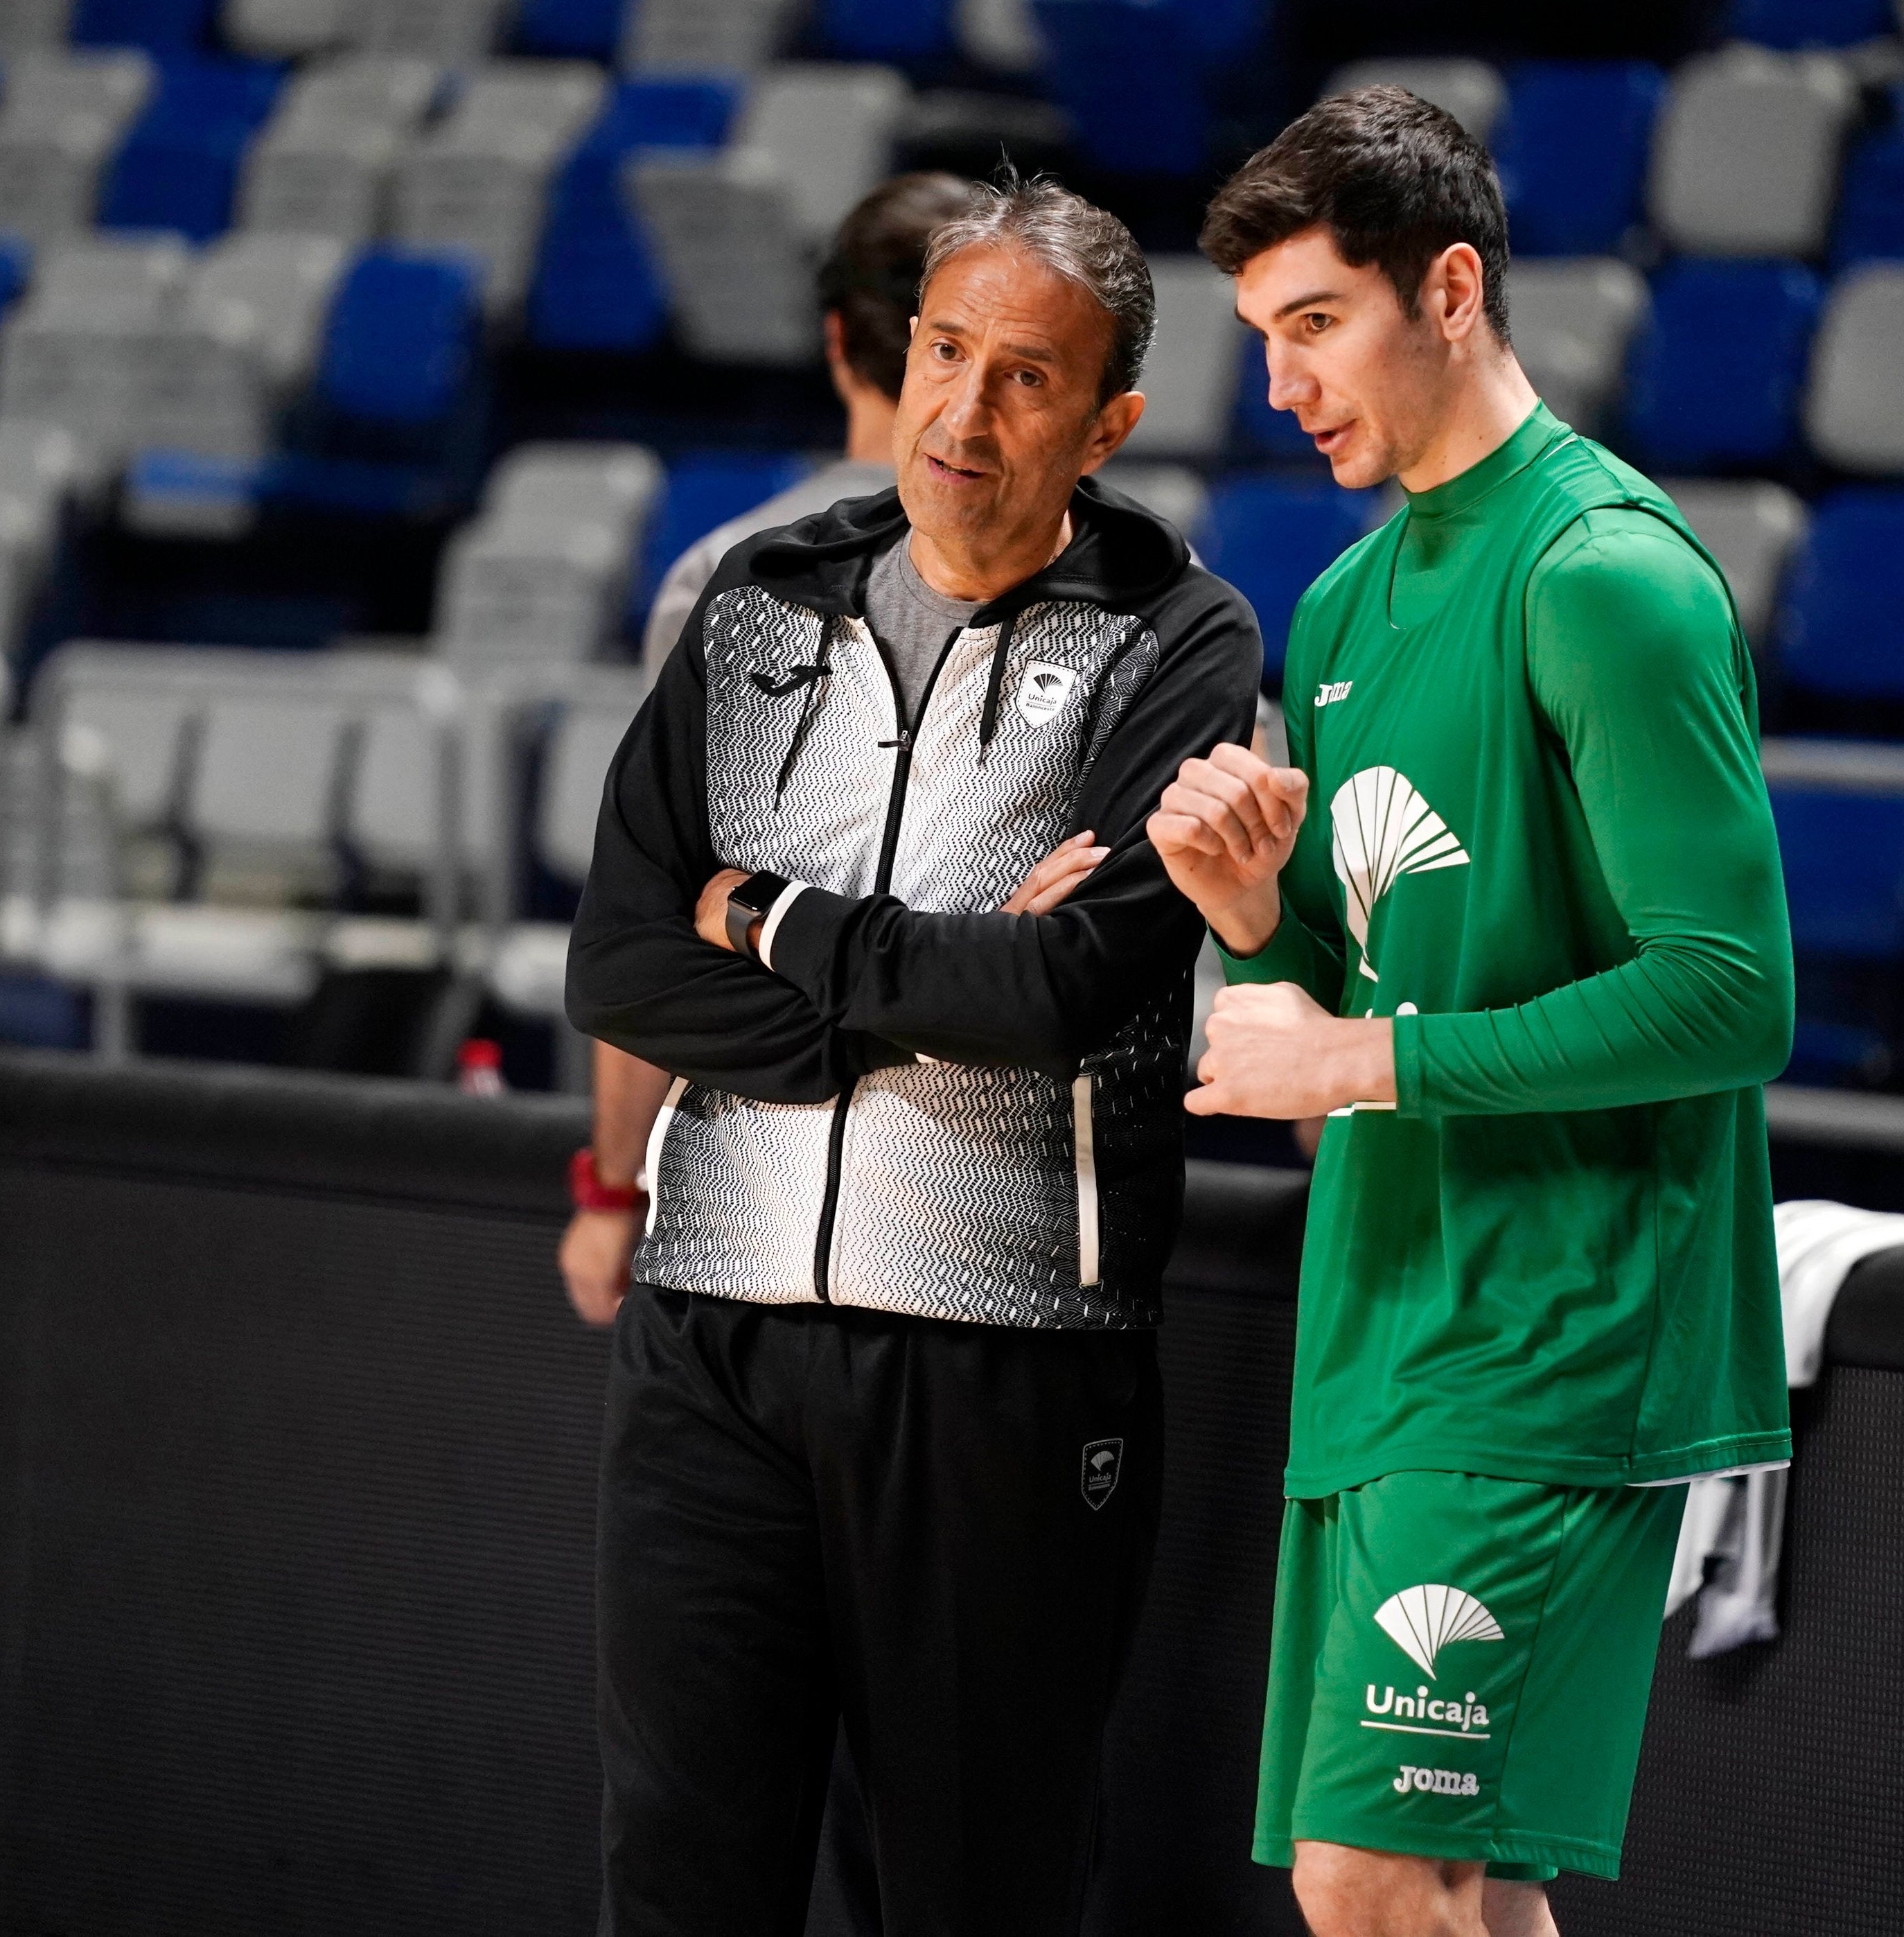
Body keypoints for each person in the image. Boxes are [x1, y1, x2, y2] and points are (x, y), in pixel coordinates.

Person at [565, 172, 1264, 1937]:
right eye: (945, 351)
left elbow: (1064, 996)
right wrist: (906, 1004)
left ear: (1105, 419)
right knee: (679, 1874)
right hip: (708, 1330)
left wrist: (771, 918)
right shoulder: (756, 599)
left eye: (1023, 377)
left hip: (1002, 1359)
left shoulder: (1178, 639)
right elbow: (619, 959)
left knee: (968, 1890)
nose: (962, 409)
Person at [1152, 88, 1795, 1937]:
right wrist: (1254, 924)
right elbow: (1350, 1031)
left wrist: (1359, 1048)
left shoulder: (1606, 576)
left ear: (1450, 287)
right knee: (1455, 1883)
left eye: (1314, 324)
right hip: (1390, 1320)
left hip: (1559, 1332)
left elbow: (1735, 995)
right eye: (1261, 335)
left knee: (1375, 1872)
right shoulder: (1346, 602)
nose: (1278, 384)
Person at [561, 170, 978, 1326]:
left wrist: (612, 1183)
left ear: (840, 340)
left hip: (761, 1191)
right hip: (1030, 1198)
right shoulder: (1150, 585)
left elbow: (653, 904)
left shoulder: (725, 573)